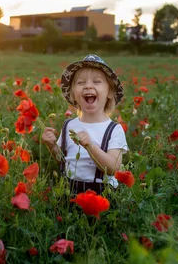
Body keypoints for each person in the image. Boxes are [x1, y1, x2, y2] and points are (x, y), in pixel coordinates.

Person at [42, 54, 128, 195]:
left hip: (102, 193)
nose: (88, 86)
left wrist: (90, 147)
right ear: (73, 94)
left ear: (110, 92)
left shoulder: (114, 130)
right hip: (69, 191)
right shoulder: (68, 125)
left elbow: (114, 168)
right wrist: (51, 146)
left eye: (96, 82)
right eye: (81, 83)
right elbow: (63, 160)